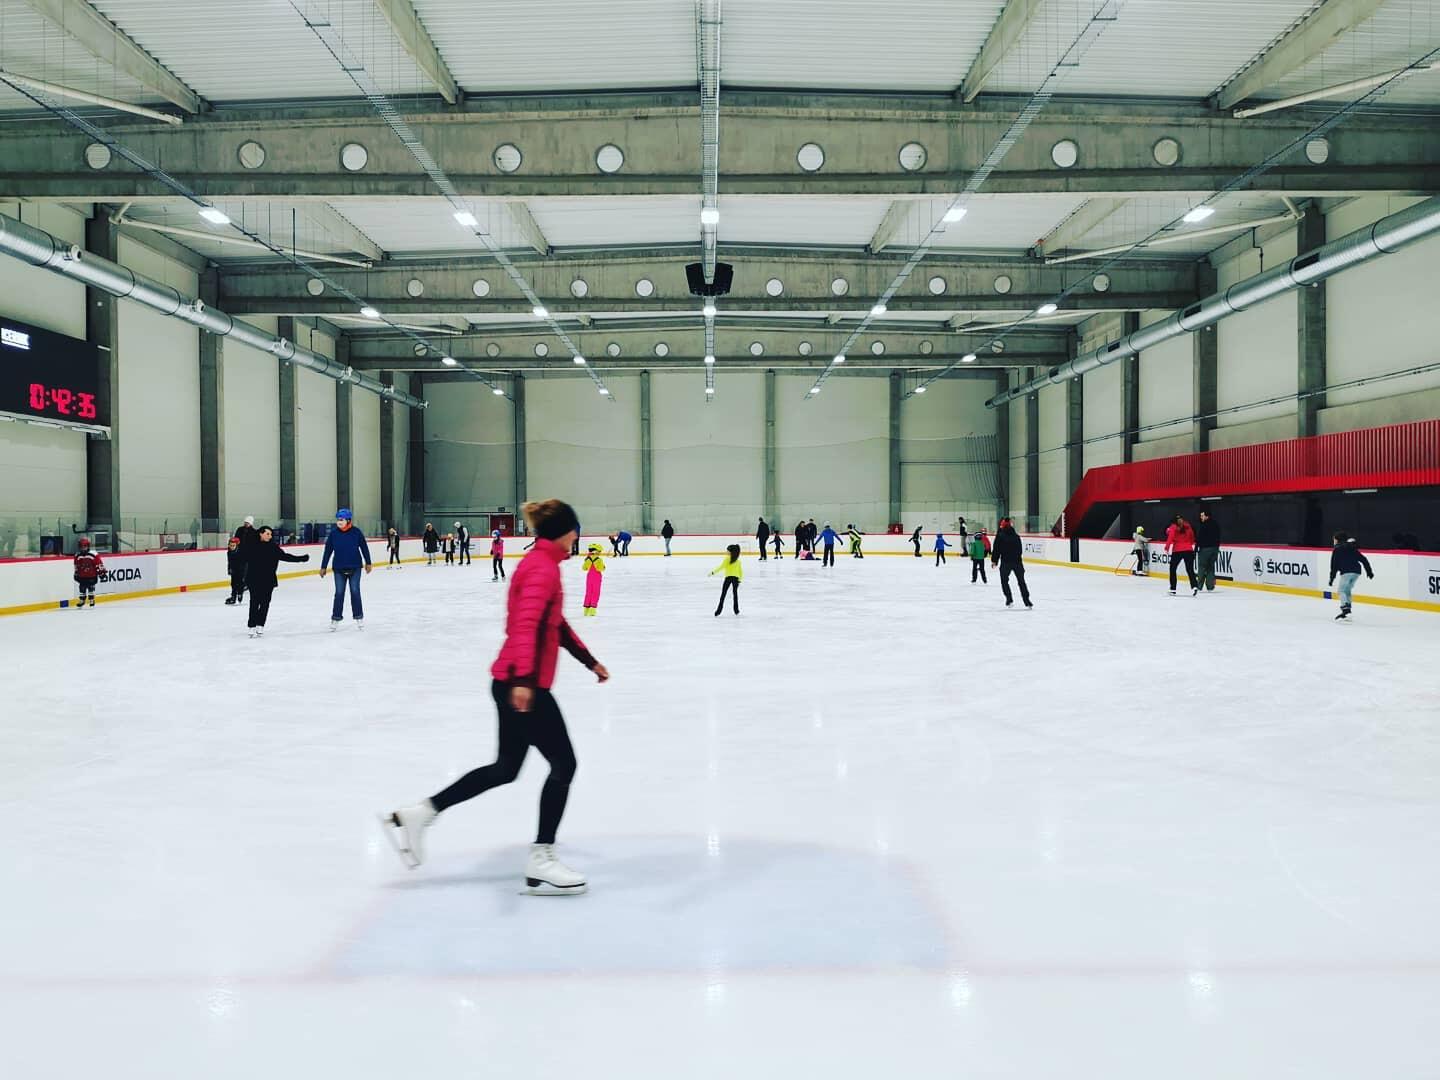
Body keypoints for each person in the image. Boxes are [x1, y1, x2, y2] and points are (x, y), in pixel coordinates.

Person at [379, 499, 609, 895]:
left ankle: (420, 814)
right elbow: (525, 626)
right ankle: (542, 859)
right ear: (565, 531)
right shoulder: (541, 568)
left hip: (514, 682)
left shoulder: (542, 564)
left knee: (505, 769)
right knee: (564, 764)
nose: (578, 538)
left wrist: (588, 661)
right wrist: (523, 681)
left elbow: (553, 624)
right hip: (524, 684)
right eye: (576, 531)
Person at [245, 525, 311, 636]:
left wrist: (301, 559)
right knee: (254, 602)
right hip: (254, 579)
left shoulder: (273, 547)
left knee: (265, 603)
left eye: (271, 534)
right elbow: (242, 558)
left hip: (268, 580)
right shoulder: (252, 546)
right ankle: (252, 625)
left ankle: (260, 624)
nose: (270, 536)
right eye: (267, 534)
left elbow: (286, 557)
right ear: (260, 533)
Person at [320, 508, 373, 630]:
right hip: (339, 568)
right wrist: (323, 566)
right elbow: (327, 551)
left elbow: (364, 548)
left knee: (355, 591)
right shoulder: (333, 534)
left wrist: (368, 563)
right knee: (339, 593)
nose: (339, 522)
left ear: (348, 520)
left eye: (341, 519)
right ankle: (335, 619)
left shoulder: (356, 532)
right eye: (338, 519)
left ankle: (359, 618)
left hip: (355, 567)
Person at [1328, 532, 1374, 621]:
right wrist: (1369, 571)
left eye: (1334, 539)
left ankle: (1346, 610)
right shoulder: (1351, 547)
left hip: (1346, 572)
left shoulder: (1337, 549)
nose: (1333, 541)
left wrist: (1331, 578)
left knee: (1341, 591)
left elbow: (1334, 565)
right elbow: (1363, 559)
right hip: (1356, 572)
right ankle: (1348, 609)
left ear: (1338, 540)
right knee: (1347, 590)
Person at [991, 518, 1032, 608]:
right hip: (1017, 562)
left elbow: (996, 550)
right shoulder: (1016, 536)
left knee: (1004, 581)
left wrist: (994, 561)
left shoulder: (1000, 536)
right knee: (1021, 582)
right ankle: (1027, 601)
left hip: (1006, 562)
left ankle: (1009, 599)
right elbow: (1020, 550)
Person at [1164, 515, 1198, 596]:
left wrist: (1167, 547)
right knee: (1190, 569)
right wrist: (1190, 544)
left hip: (1177, 550)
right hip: (1188, 550)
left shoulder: (1173, 527)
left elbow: (1170, 537)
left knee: (1173, 569)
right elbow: (1192, 536)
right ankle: (1194, 586)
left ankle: (1173, 589)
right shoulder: (1188, 526)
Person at [710, 543, 743, 616]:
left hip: (728, 578)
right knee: (735, 594)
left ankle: (718, 611)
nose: (727, 552)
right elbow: (741, 572)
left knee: (723, 594)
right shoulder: (738, 561)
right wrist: (740, 579)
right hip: (736, 579)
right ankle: (736, 610)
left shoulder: (727, 559)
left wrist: (713, 572)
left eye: (728, 551)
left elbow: (720, 567)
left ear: (731, 551)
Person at [1195, 509, 1221, 592]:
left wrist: (1196, 548)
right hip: (1214, 549)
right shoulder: (1216, 524)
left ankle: (1199, 586)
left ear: (1207, 516)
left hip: (1205, 549)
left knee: (1202, 567)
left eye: (1202, 516)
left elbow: (1199, 538)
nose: (1201, 517)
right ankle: (1210, 586)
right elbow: (1219, 536)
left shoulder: (1204, 525)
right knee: (1210, 567)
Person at [73, 536, 103, 609]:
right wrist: (76, 573)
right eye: (81, 547)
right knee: (82, 588)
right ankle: (82, 600)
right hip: (82, 576)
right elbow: (76, 565)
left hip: (92, 575)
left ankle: (91, 599)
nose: (83, 548)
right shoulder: (77, 555)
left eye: (85, 546)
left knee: (90, 587)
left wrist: (102, 573)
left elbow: (99, 564)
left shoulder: (93, 554)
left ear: (88, 546)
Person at [582, 543, 605, 615]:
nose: (600, 553)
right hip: (596, 577)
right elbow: (600, 568)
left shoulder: (587, 559)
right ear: (596, 551)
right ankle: (592, 610)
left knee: (588, 592)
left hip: (589, 577)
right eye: (599, 551)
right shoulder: (598, 559)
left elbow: (584, 568)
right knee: (596, 592)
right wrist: (604, 567)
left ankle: (586, 610)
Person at [224, 536, 246, 604]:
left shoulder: (241, 552)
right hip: (234, 569)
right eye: (230, 545)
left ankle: (240, 593)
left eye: (233, 545)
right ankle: (233, 597)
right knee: (233, 583)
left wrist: (244, 572)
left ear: (237, 545)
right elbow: (229, 562)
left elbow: (245, 563)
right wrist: (229, 569)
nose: (231, 547)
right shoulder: (229, 552)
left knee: (240, 583)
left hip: (242, 569)